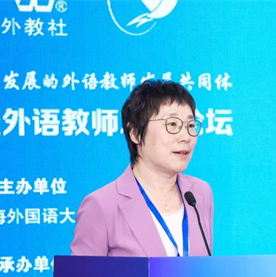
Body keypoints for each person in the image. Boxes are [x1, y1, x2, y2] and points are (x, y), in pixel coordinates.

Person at [70, 79, 213, 257]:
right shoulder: (101, 205)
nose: (185, 136)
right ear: (136, 133)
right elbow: (81, 276)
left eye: (190, 125)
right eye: (172, 125)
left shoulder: (199, 193)